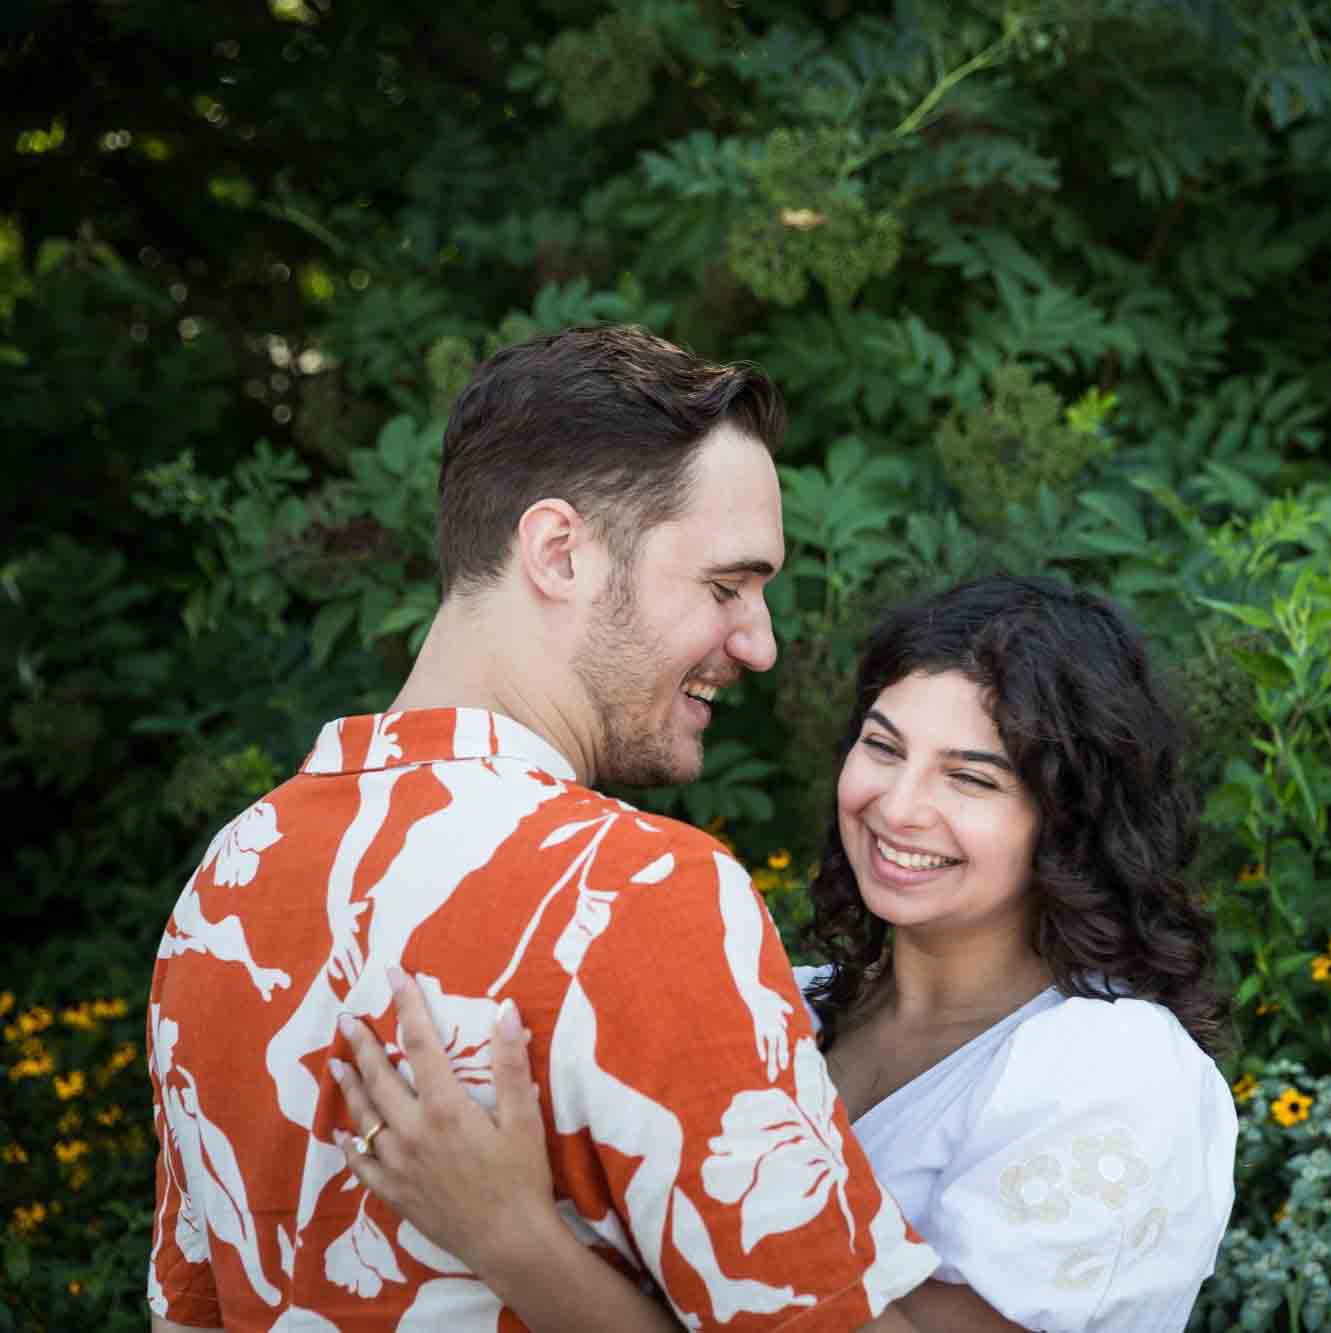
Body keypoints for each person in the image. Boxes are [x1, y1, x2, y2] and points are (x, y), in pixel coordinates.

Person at [146, 325, 940, 1333]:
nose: (761, 643)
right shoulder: (642, 895)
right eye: (725, 585)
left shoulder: (228, 882)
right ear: (559, 552)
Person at [332, 574, 1240, 1332]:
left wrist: (510, 1237)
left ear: (1070, 819)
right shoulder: (782, 1004)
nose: (899, 805)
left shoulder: (1116, 1068)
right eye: (882, 748)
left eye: (971, 776)